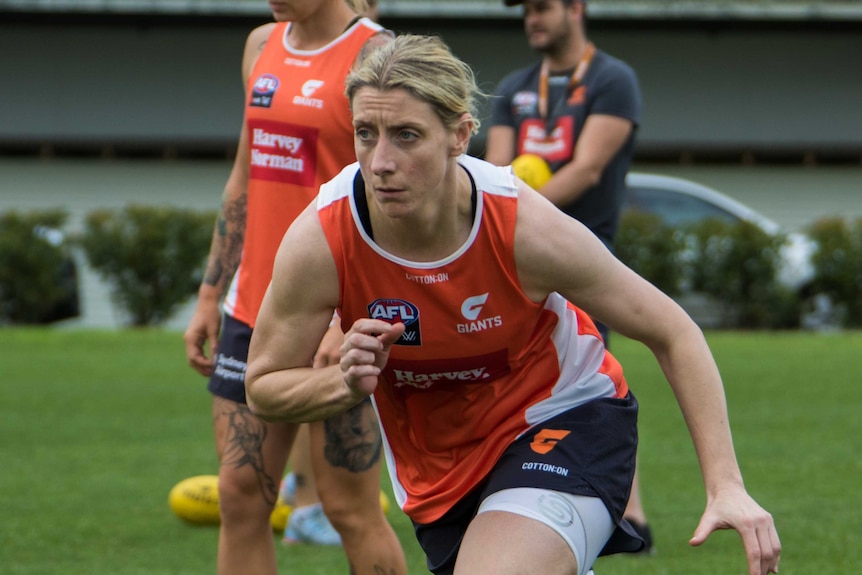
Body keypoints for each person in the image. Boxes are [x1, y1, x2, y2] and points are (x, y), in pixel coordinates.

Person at [244, 34, 781, 575]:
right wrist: (342, 382)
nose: (380, 161)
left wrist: (727, 485)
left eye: (407, 135)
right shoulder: (324, 236)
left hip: (563, 417)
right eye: (366, 133)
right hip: (440, 473)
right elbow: (264, 385)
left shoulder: (523, 226)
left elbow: (672, 330)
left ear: (460, 135)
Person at [182, 1, 406, 574]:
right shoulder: (261, 44)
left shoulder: (377, 54)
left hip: (339, 315)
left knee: (348, 508)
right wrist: (211, 294)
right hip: (253, 310)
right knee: (239, 497)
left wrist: (344, 317)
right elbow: (245, 175)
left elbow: (390, 196)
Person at [485, 0, 652, 550]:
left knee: (594, 381)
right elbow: (499, 168)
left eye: (542, 7)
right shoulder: (514, 85)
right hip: (518, 256)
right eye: (525, 10)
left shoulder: (613, 78)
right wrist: (513, 216)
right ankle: (510, 496)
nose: (531, 18)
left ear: (576, 7)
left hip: (585, 254)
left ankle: (627, 510)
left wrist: (520, 211)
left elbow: (588, 167)